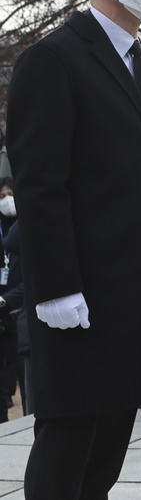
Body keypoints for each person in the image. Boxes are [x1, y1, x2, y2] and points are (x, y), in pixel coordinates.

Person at [6, 0, 141, 498]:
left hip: (135, 288)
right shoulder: (54, 60)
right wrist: (56, 287)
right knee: (68, 443)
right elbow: (41, 185)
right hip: (80, 292)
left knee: (110, 443)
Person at [0, 179, 22, 423]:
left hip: (18, 309)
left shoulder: (22, 225)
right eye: (1, 195)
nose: (6, 199)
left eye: (10, 193)